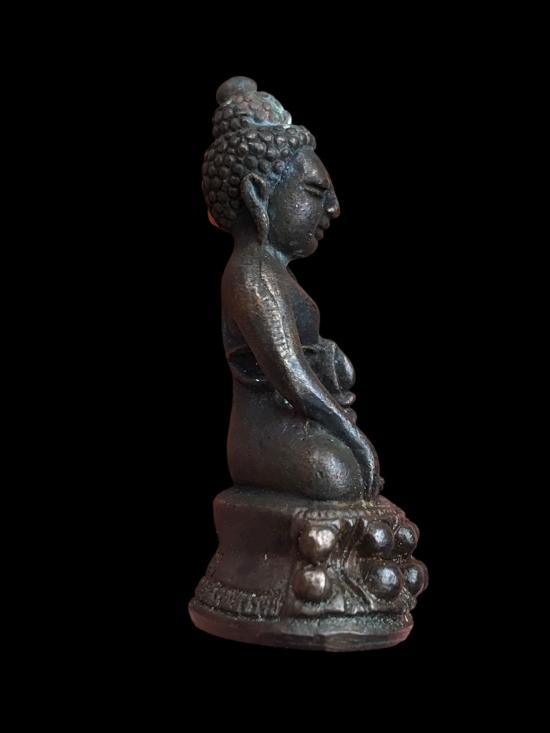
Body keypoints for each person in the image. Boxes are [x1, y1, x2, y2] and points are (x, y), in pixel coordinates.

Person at [202, 77, 383, 501]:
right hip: (264, 435)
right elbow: (291, 376)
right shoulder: (253, 275)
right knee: (339, 477)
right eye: (315, 192)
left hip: (297, 423)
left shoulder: (271, 272)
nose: (333, 208)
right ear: (257, 194)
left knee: (345, 475)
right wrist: (355, 439)